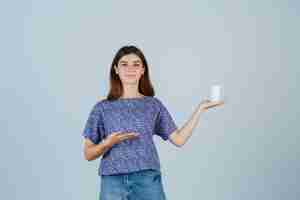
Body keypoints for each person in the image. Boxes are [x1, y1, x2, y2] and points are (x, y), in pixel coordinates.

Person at [82, 45, 224, 200]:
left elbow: (179, 139)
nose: (130, 69)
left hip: (147, 180)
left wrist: (201, 109)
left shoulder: (153, 105)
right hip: (112, 181)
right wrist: (108, 143)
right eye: (124, 64)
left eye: (136, 64)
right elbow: (88, 154)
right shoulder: (102, 108)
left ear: (143, 70)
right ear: (116, 69)